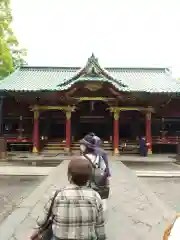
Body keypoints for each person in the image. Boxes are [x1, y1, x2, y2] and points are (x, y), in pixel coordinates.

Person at [36, 157, 106, 240]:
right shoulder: (95, 196)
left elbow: (42, 221)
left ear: (69, 176)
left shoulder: (57, 195)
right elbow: (100, 226)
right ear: (89, 178)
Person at [80, 134, 109, 212]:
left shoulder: (82, 158)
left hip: (86, 184)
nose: (80, 146)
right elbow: (105, 168)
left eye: (82, 145)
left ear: (86, 146)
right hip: (97, 183)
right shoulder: (99, 156)